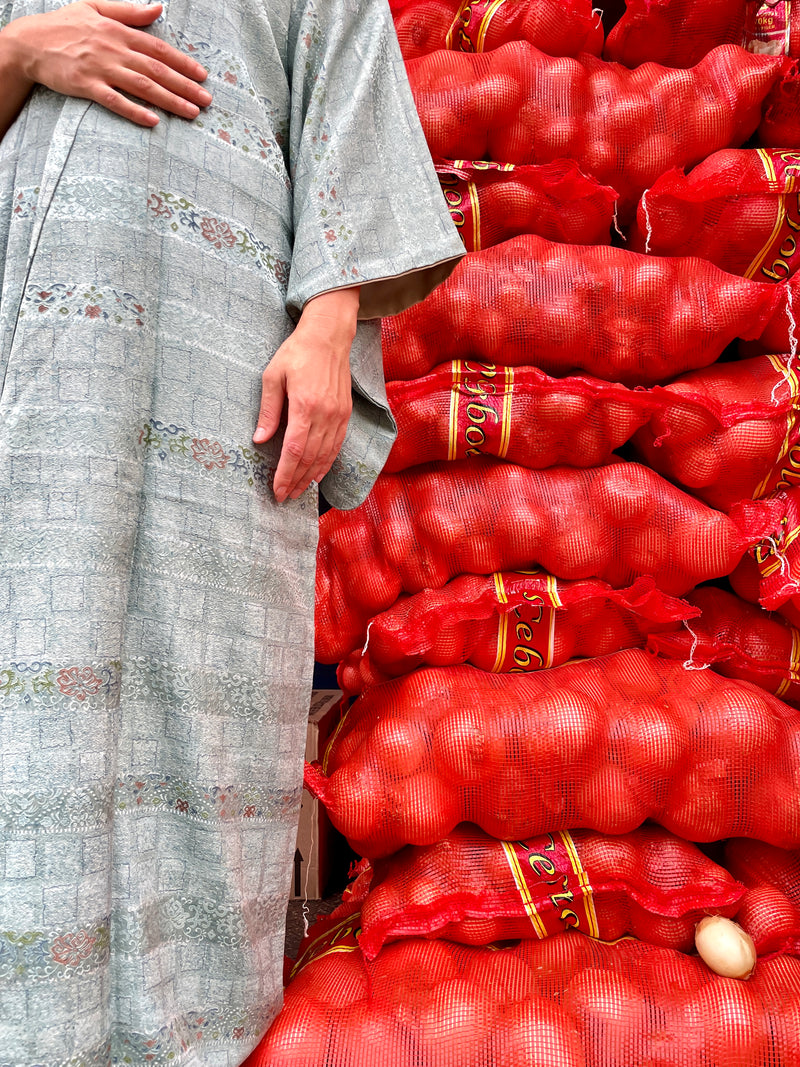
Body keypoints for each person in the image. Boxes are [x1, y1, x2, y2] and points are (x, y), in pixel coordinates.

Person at [0, 1, 464, 1062]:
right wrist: (20, 50)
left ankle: (194, 1030)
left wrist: (329, 319)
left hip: (223, 370)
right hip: (30, 364)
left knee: (201, 689)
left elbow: (350, 108)